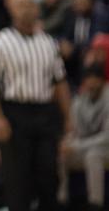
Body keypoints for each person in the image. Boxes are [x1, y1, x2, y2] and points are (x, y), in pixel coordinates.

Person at [0, 0, 72, 211]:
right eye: (21, 5)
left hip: (45, 113)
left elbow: (60, 83)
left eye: (30, 4)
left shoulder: (48, 42)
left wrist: (68, 118)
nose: (26, 9)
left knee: (49, 175)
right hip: (14, 113)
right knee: (18, 180)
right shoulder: (0, 42)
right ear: (11, 10)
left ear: (37, 8)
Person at [58, 65, 109, 211]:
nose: (91, 84)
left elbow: (107, 137)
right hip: (86, 147)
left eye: (95, 81)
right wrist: (66, 143)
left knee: (93, 155)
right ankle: (62, 201)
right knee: (63, 153)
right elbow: (74, 131)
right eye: (88, 81)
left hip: (105, 149)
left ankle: (95, 204)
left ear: (102, 81)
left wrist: (77, 146)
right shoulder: (80, 99)